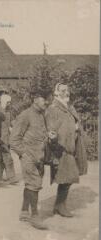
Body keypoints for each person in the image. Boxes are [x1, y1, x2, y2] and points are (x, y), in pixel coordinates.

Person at [10, 90, 54, 230]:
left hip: (39, 157)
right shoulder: (25, 115)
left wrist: (49, 135)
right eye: (44, 99)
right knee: (34, 184)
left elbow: (38, 133)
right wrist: (24, 154)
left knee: (31, 185)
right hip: (28, 157)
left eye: (47, 99)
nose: (46, 102)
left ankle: (24, 212)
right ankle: (34, 216)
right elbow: (13, 139)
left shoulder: (42, 115)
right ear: (35, 99)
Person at [45, 83, 88, 217]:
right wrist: (55, 149)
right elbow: (51, 130)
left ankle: (59, 205)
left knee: (68, 177)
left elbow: (73, 123)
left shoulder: (68, 107)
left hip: (71, 148)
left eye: (68, 90)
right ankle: (60, 206)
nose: (67, 93)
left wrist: (75, 128)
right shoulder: (53, 109)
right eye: (63, 91)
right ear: (56, 93)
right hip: (60, 149)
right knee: (66, 177)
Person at [0, 94, 19, 185]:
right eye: (8, 102)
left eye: (10, 102)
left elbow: (13, 122)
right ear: (3, 101)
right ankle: (12, 178)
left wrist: (15, 127)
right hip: (0, 139)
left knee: (2, 158)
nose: (9, 104)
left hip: (7, 138)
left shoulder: (9, 111)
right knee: (8, 158)